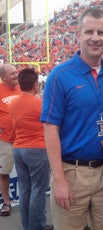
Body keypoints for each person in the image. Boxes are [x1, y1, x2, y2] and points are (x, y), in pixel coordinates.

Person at [40, 8, 103, 230]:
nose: (95, 38)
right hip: (71, 172)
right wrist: (59, 180)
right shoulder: (60, 75)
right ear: (78, 35)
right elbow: (50, 129)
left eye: (101, 33)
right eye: (89, 32)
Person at [9, 68, 53, 230]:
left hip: (19, 148)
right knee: (38, 190)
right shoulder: (39, 104)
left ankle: (28, 225)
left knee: (25, 190)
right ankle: (37, 226)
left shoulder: (13, 103)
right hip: (37, 148)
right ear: (35, 85)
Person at [0, 64, 21, 216]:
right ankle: (6, 203)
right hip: (5, 139)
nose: (16, 75)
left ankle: (27, 202)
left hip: (24, 138)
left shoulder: (22, 87)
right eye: (12, 73)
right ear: (4, 77)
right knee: (4, 172)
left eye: (16, 72)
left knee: (27, 172)